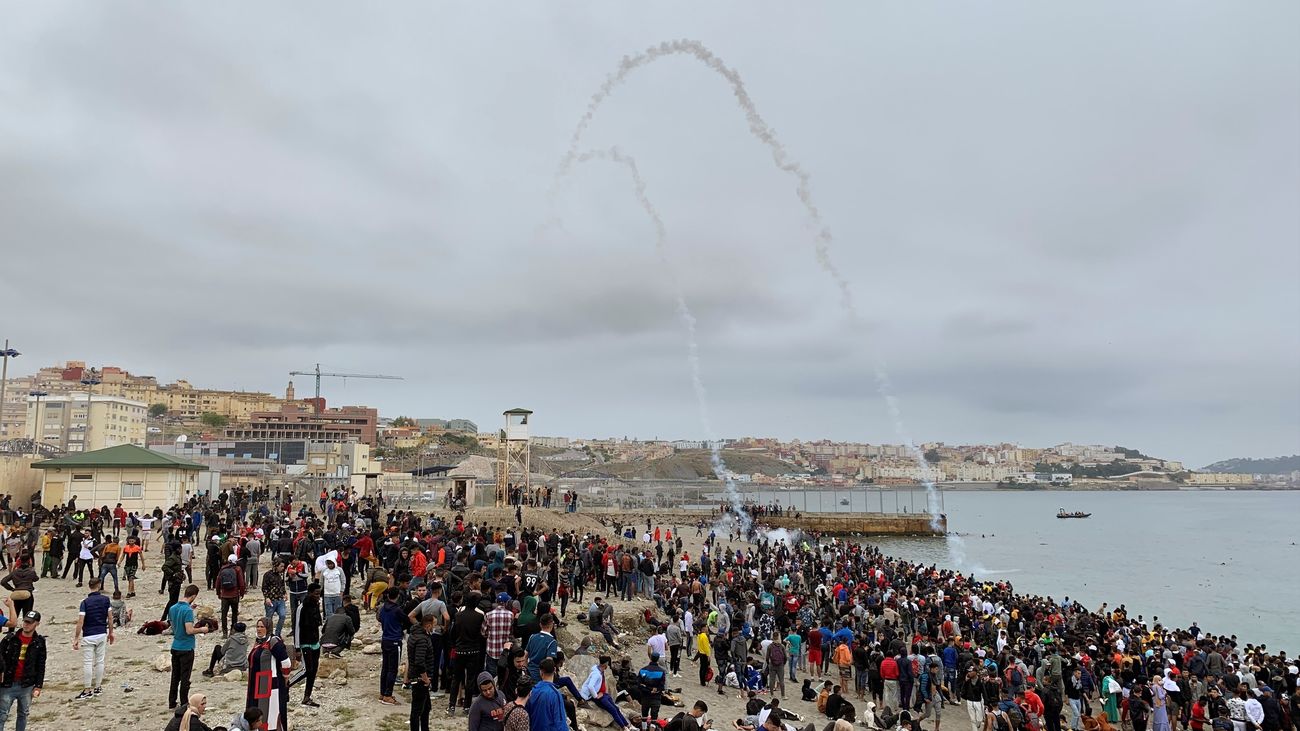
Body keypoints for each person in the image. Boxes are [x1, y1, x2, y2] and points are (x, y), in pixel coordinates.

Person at [0, 609, 45, 731]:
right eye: (25, 621)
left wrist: (38, 685)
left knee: (23, 714)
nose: (26, 624)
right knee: (2, 715)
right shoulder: (10, 639)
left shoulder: (39, 642)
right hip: (8, 683)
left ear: (37, 624)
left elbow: (41, 665)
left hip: (26, 685)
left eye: (30, 622)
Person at [169, 584, 212, 710]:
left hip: (175, 645)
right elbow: (189, 630)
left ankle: (172, 701)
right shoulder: (187, 611)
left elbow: (173, 625)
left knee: (175, 676)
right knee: (185, 678)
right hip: (186, 647)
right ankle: (184, 703)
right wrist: (202, 629)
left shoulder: (173, 608)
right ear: (193, 596)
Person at [247, 616, 292, 731]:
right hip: (257, 684)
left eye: (262, 627)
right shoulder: (258, 642)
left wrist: (285, 678)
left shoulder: (273, 641)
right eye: (257, 626)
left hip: (270, 685)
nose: (259, 629)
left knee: (270, 713)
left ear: (268, 628)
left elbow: (286, 662)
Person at [72, 578, 113, 700]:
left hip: (88, 634)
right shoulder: (106, 600)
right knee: (100, 661)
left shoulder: (85, 602)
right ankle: (98, 687)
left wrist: (76, 637)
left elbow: (80, 621)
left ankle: (87, 689)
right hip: (101, 632)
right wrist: (111, 632)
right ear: (99, 586)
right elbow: (110, 618)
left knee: (88, 662)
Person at [581, 655, 634, 731]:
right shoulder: (596, 674)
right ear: (605, 663)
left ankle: (627, 725)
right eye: (608, 664)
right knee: (613, 710)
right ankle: (624, 727)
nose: (608, 666)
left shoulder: (600, 671)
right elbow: (590, 686)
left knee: (616, 708)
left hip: (603, 694)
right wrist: (596, 696)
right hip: (597, 696)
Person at [293, 581, 323, 707]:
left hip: (315, 642)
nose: (318, 596)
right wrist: (297, 648)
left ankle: (307, 697)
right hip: (304, 643)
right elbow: (297, 628)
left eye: (319, 594)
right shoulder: (302, 607)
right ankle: (287, 684)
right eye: (316, 594)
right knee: (307, 670)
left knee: (313, 671)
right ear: (310, 593)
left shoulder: (316, 605)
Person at [407, 611, 437, 731]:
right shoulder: (422, 639)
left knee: (426, 707)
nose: (435, 627)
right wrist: (425, 678)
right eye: (434, 625)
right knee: (417, 710)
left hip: (418, 677)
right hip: (420, 679)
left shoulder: (415, 634)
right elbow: (419, 662)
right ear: (428, 625)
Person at [377, 587, 404, 706]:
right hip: (395, 640)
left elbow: (380, 619)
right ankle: (388, 695)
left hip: (385, 639)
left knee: (385, 667)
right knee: (393, 669)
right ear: (397, 596)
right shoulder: (397, 610)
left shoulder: (383, 608)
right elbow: (405, 620)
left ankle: (383, 693)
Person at [525, 658, 567, 731]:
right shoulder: (555, 694)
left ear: (541, 672)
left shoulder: (532, 691)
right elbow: (560, 722)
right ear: (554, 669)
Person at [217, 555, 247, 638]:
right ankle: (233, 630)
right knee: (234, 613)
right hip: (234, 595)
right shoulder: (237, 569)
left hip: (224, 595)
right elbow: (241, 583)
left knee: (224, 614)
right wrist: (242, 593)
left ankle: (224, 632)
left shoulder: (223, 568)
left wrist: (218, 593)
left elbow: (218, 581)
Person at [640, 653, 668, 727]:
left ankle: (644, 729)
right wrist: (655, 690)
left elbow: (639, 684)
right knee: (654, 718)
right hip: (656, 697)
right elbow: (662, 686)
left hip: (645, 696)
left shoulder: (643, 670)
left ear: (650, 658)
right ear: (658, 659)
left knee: (644, 716)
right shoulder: (661, 671)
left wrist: (647, 689)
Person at [262, 559, 287, 639]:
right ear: (276, 566)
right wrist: (266, 597)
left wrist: (285, 593)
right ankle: (268, 635)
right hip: (271, 600)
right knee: (269, 619)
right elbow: (264, 587)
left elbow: (282, 585)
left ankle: (277, 633)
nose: (283, 568)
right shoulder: (267, 575)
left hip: (280, 599)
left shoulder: (281, 574)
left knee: (283, 615)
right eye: (281, 566)